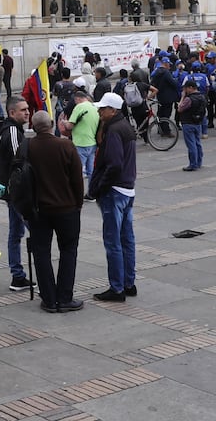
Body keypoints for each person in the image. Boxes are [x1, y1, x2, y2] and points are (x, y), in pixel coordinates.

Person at [23, 111, 85, 313]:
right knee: (68, 251)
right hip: (66, 208)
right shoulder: (66, 145)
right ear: (51, 124)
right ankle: (65, 297)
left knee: (41, 252)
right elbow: (77, 179)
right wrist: (78, 203)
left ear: (33, 127)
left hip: (38, 209)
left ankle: (49, 299)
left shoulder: (27, 147)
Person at [87, 93, 136, 302]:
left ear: (112, 110)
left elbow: (114, 164)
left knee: (113, 241)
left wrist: (99, 186)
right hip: (127, 188)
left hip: (115, 191)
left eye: (102, 109)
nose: (99, 112)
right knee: (126, 239)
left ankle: (117, 288)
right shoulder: (124, 126)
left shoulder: (114, 130)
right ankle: (128, 282)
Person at [0, 96, 34, 293]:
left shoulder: (13, 129)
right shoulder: (11, 131)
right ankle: (19, 275)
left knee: (16, 232)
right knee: (33, 230)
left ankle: (17, 276)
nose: (27, 112)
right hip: (17, 193)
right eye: (23, 110)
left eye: (27, 109)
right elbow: (19, 161)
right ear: (12, 113)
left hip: (14, 192)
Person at [62, 89, 99, 181]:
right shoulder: (94, 107)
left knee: (77, 172)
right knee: (91, 171)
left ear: (77, 99)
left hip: (80, 143)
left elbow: (70, 126)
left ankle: (77, 193)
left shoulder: (79, 107)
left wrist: (64, 122)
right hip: (92, 143)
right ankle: (91, 193)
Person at [177, 80, 206, 171]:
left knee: (191, 144)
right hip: (198, 122)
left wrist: (182, 98)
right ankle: (199, 162)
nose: (185, 91)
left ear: (190, 88)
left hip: (188, 122)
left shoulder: (188, 99)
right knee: (197, 143)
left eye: (185, 88)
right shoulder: (202, 97)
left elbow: (180, 109)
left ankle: (193, 164)